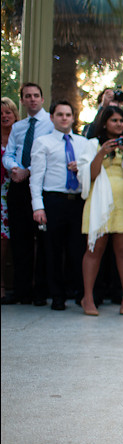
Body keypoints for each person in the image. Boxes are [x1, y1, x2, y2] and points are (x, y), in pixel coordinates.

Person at [78, 106, 123, 316]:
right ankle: (88, 298)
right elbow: (88, 176)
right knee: (94, 250)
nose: (119, 124)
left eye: (121, 121)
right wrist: (102, 152)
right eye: (114, 120)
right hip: (98, 201)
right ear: (104, 123)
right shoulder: (92, 145)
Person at [28, 100, 92, 311]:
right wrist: (38, 207)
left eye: (68, 115)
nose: (64, 118)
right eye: (60, 114)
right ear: (52, 117)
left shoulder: (83, 143)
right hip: (53, 200)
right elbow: (36, 177)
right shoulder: (43, 142)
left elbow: (92, 175)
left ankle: (81, 293)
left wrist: (80, 171)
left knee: (78, 250)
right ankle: (57, 296)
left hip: (77, 201)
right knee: (53, 250)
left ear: (73, 118)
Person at [3, 82, 53, 306]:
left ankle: (40, 291)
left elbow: (52, 155)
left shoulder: (51, 123)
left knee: (42, 241)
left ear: (42, 99)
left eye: (36, 96)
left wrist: (28, 171)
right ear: (22, 101)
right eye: (27, 96)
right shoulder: (18, 127)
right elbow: (9, 153)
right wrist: (14, 168)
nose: (32, 99)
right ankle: (21, 291)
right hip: (18, 187)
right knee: (20, 241)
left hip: (41, 186)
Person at [0, 97, 19, 304]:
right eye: (1, 113)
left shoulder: (21, 136)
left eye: (8, 112)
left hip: (18, 193)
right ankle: (2, 285)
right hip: (1, 196)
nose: (4, 116)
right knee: (2, 243)